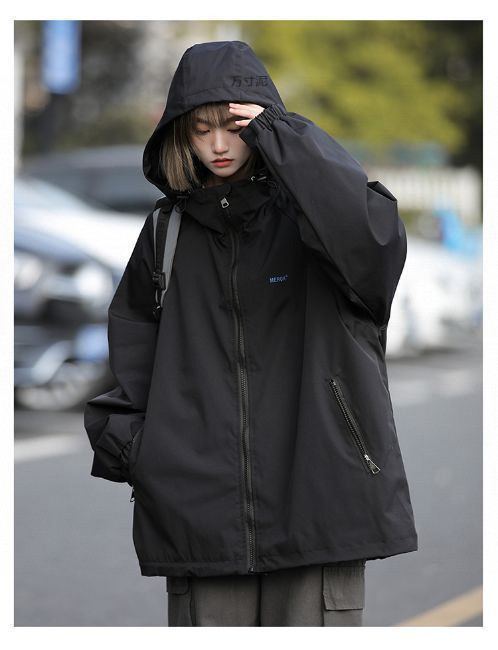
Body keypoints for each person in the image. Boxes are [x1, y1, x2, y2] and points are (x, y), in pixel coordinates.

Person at [84, 40, 418, 627]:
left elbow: (373, 244)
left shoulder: (315, 221)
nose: (217, 144)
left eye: (234, 127)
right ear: (180, 137)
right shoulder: (166, 232)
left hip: (321, 506)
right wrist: (142, 452)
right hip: (199, 518)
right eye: (200, 130)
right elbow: (132, 357)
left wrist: (284, 136)